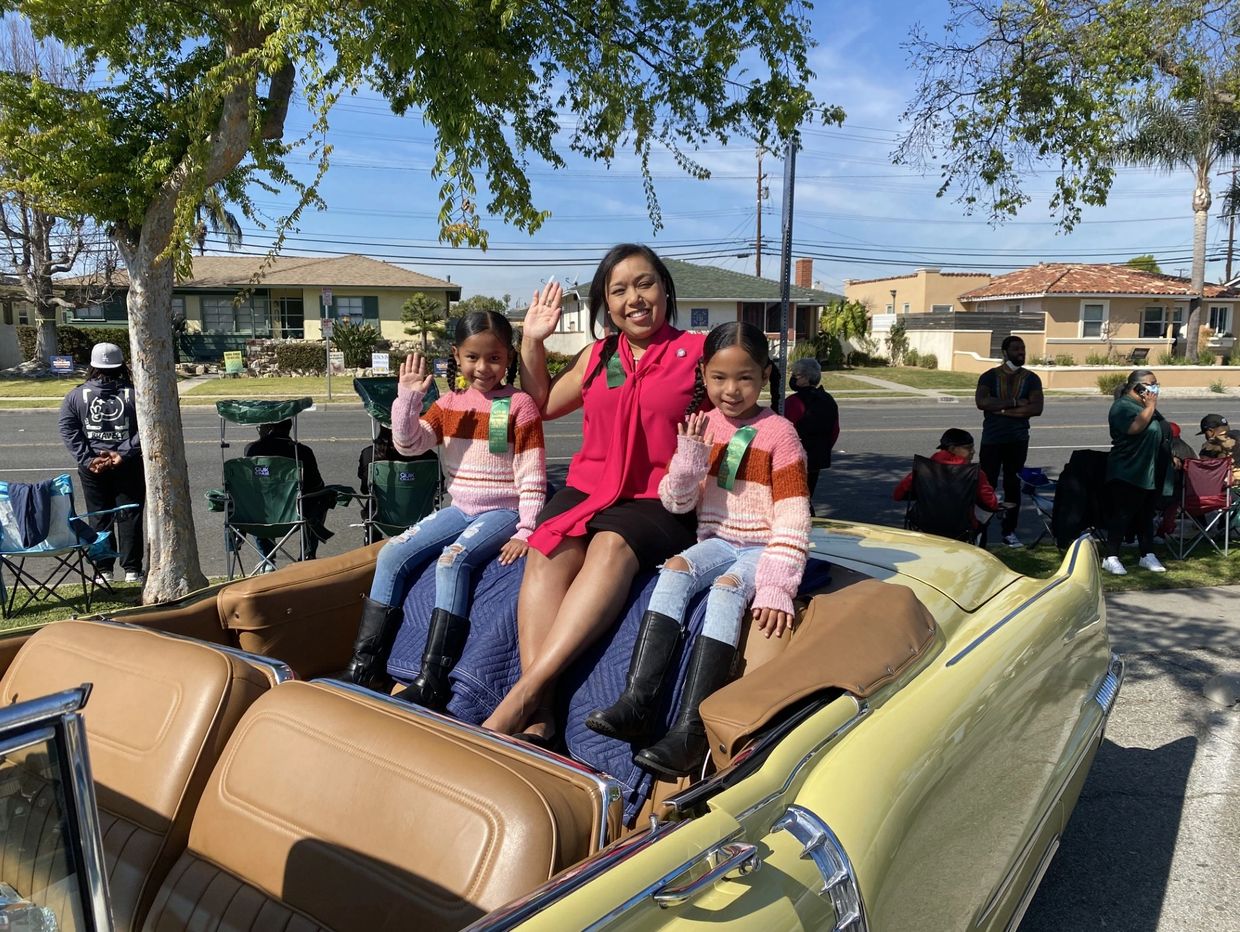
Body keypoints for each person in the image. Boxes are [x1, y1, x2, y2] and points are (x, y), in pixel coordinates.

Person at [482, 244, 706, 743]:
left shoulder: (698, 352)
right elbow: (538, 404)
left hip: (658, 497)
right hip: (589, 488)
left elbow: (740, 414)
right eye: (619, 290)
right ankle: (542, 716)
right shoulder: (598, 355)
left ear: (665, 288)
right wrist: (532, 343)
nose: (635, 299)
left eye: (644, 283)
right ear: (607, 303)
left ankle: (524, 694)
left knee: (610, 546)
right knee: (546, 546)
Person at [585, 322, 811, 777]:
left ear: (765, 375)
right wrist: (688, 458)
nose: (732, 390)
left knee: (728, 589)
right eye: (720, 378)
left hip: (759, 548)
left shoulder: (779, 434)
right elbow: (676, 501)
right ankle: (637, 700)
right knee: (673, 569)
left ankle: (691, 731)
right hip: (715, 539)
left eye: (745, 378)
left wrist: (776, 587)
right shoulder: (701, 425)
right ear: (704, 374)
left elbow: (793, 514)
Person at [341, 311, 546, 705]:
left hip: (502, 511)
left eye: (494, 358)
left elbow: (532, 473)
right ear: (456, 355)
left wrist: (527, 528)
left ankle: (433, 675)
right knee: (392, 553)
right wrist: (408, 399)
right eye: (472, 357)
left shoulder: (520, 405)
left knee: (452, 562)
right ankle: (365, 664)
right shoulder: (449, 403)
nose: (482, 367)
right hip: (460, 507)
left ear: (509, 358)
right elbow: (409, 444)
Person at [58, 342, 145, 583]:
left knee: (99, 515)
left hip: (93, 466)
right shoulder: (136, 393)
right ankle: (132, 570)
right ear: (121, 366)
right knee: (130, 515)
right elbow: (149, 426)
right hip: (128, 465)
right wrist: (124, 453)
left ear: (93, 366)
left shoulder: (76, 395)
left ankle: (103, 569)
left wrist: (88, 458)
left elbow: (68, 428)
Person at [974, 336, 1044, 547]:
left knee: (1013, 484)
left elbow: (1036, 408)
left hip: (1018, 439)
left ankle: (1009, 531)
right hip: (992, 439)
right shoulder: (989, 376)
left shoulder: (1031, 378)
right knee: (986, 485)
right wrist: (1014, 403)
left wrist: (1001, 410)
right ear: (1005, 352)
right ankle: (980, 532)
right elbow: (982, 402)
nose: (1021, 352)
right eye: (1016, 349)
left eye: (1023, 348)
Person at [1102, 370, 1171, 576]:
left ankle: (1147, 554)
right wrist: (1150, 406)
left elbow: (1161, 431)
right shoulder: (1122, 406)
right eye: (1151, 384)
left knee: (1146, 514)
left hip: (1148, 470)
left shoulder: (1146, 407)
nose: (1155, 387)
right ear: (1137, 387)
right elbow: (1134, 428)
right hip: (1128, 469)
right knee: (1123, 514)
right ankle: (1111, 556)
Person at [244, 418, 331, 564]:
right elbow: (316, 485)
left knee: (257, 501)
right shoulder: (302, 451)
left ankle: (267, 559)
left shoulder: (253, 450)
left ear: (270, 427)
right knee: (321, 497)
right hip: (295, 516)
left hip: (262, 518)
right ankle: (307, 555)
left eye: (261, 427)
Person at [893, 428, 1001, 527]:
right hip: (961, 530)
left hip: (923, 526)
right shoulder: (975, 473)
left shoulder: (923, 468)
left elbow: (898, 495)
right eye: (969, 448)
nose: (973, 452)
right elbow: (992, 504)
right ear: (952, 448)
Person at [356, 425, 436, 542]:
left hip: (380, 519)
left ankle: (373, 550)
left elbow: (365, 489)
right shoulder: (430, 457)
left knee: (372, 503)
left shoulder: (370, 454)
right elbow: (438, 490)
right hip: (421, 519)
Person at [783, 357, 839, 514]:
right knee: (807, 496)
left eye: (796, 375)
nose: (793, 378)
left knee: (793, 500)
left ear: (807, 377)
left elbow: (784, 432)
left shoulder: (794, 402)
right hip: (817, 459)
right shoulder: (828, 399)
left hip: (795, 460)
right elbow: (835, 431)